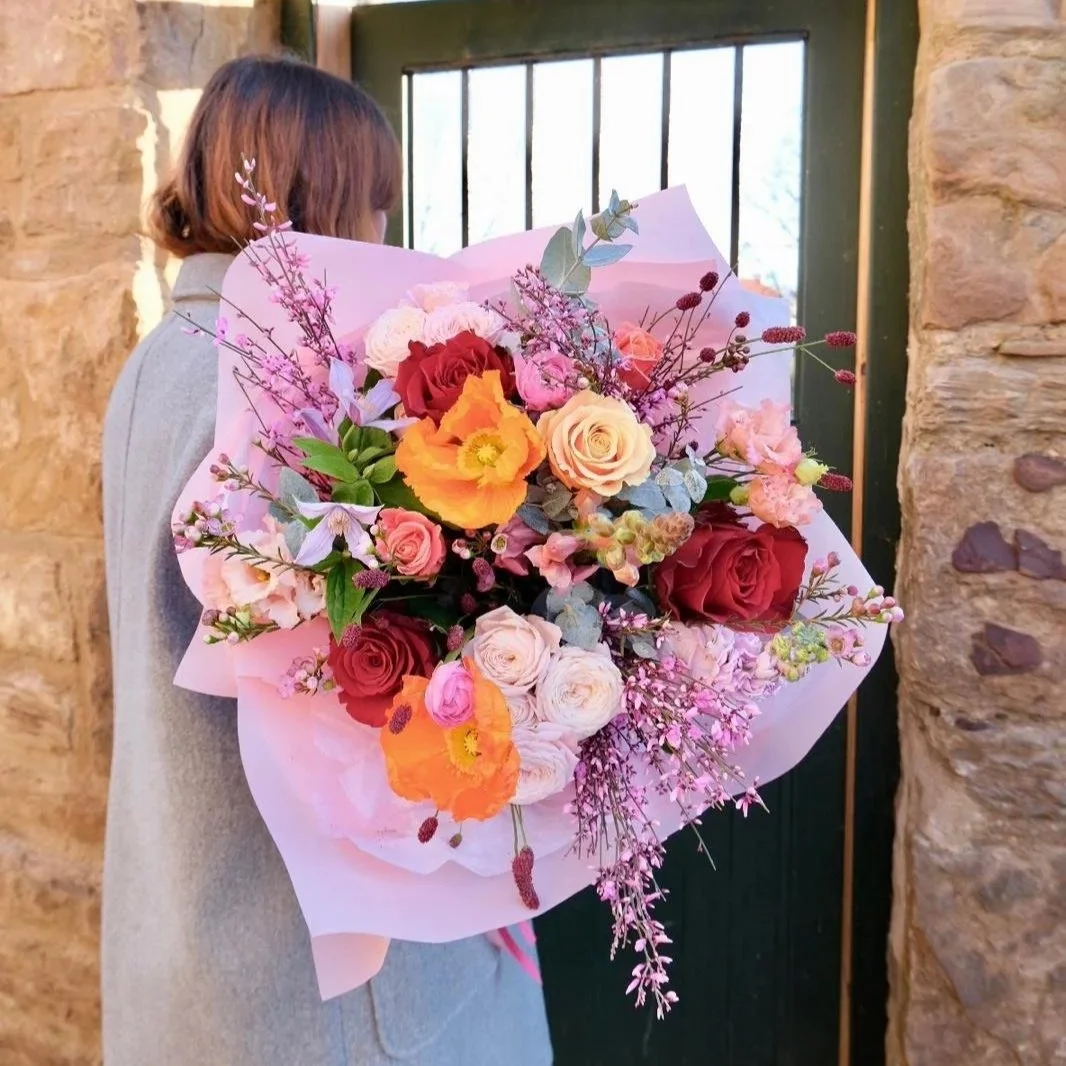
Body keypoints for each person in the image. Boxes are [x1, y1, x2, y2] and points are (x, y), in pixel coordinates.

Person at [101, 54, 553, 1066]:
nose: (384, 229)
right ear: (328, 195)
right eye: (375, 201)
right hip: (325, 965)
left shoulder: (162, 352)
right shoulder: (274, 380)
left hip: (188, 913)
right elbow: (349, 686)